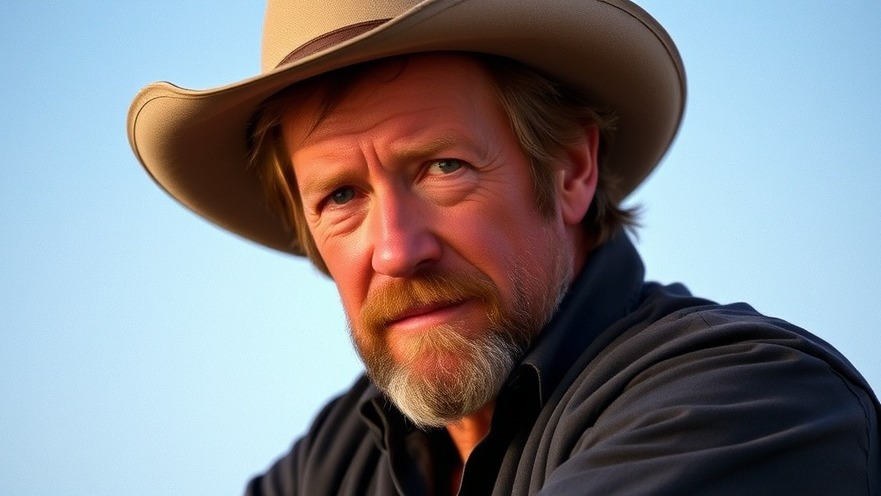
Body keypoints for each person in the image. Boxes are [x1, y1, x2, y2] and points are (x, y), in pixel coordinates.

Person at [127, 1, 880, 494]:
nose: (396, 250)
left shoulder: (750, 401)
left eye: (442, 168)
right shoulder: (342, 457)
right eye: (341, 197)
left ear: (571, 169)